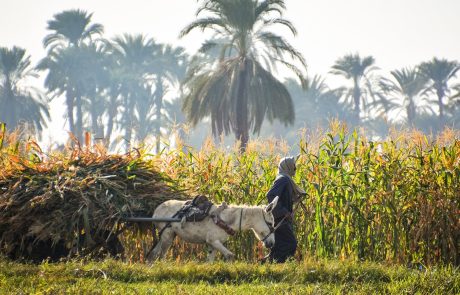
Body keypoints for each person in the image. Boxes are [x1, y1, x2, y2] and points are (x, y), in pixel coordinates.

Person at [264, 156, 305, 263]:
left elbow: (280, 197)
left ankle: (271, 267)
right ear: (288, 166)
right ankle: (278, 265)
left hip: (280, 218)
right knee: (290, 244)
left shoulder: (285, 179)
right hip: (279, 219)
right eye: (293, 166)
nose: (295, 168)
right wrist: (284, 212)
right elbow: (271, 195)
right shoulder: (283, 179)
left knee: (280, 245)